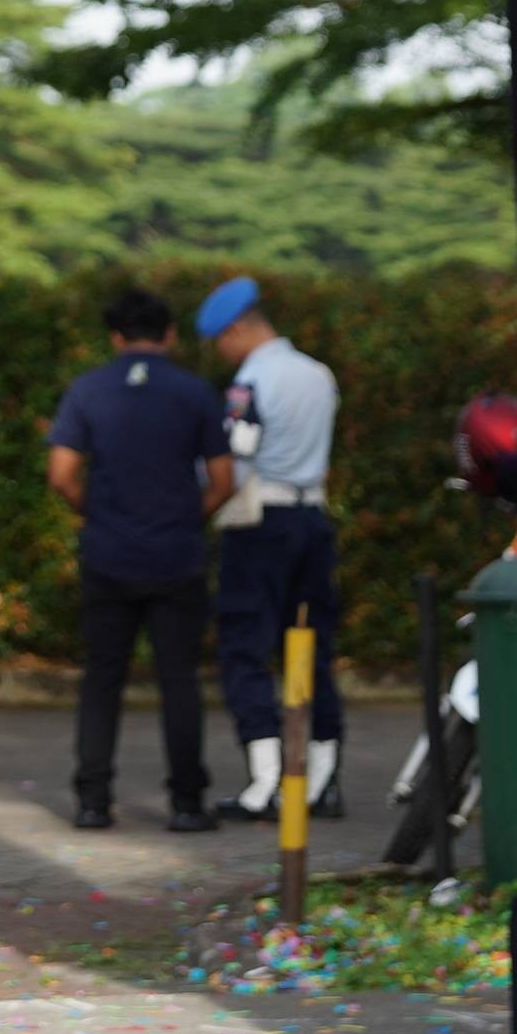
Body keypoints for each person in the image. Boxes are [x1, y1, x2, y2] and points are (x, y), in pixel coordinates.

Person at [43, 285, 233, 832]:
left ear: (116, 337)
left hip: (109, 553)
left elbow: (61, 475)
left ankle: (93, 800)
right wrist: (187, 517)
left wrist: (97, 512)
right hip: (176, 555)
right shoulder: (195, 392)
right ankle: (187, 803)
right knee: (179, 680)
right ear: (170, 335)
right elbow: (223, 480)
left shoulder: (88, 389)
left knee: (102, 679)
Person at [200, 275, 345, 823]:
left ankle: (264, 782)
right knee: (311, 645)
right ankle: (322, 779)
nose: (221, 352)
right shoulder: (318, 374)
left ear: (238, 329)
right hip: (313, 517)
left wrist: (200, 503)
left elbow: (236, 461)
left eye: (220, 340)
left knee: (245, 645)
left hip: (262, 521)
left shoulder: (250, 383)